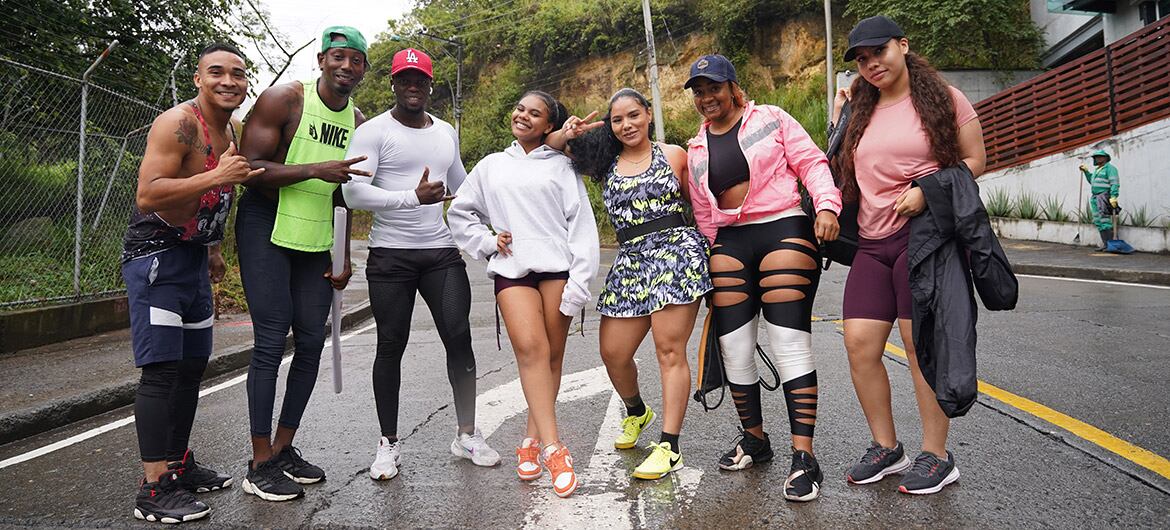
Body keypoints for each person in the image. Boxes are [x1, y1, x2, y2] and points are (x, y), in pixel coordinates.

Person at [833, 15, 986, 495]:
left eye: (878, 51)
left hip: (925, 239)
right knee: (859, 344)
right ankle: (886, 446)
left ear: (903, 45)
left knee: (922, 347)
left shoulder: (942, 98)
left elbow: (975, 160)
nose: (871, 63)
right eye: (861, 59)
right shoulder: (860, 105)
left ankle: (937, 456)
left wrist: (928, 190)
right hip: (872, 243)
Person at [684, 54, 841, 502]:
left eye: (713, 87)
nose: (706, 97)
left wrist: (827, 205)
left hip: (784, 225)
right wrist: (711, 255)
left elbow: (812, 162)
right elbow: (702, 213)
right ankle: (756, 439)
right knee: (733, 347)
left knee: (788, 341)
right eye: (698, 90)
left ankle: (803, 457)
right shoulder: (697, 148)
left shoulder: (771, 118)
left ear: (734, 86)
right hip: (731, 240)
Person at [341, 48, 500, 482]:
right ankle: (387, 444)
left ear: (431, 86)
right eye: (404, 79)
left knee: (459, 337)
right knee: (390, 345)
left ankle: (467, 434)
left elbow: (465, 189)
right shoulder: (373, 132)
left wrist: (499, 221)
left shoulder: (445, 132)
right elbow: (353, 195)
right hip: (390, 256)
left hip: (440, 254)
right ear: (393, 84)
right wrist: (411, 197)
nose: (412, 86)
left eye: (420, 80)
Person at [121, 42, 257, 523]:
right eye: (216, 73)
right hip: (155, 257)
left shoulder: (235, 130)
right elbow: (147, 193)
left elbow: (219, 196)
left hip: (194, 259)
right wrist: (217, 173)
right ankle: (154, 487)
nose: (228, 81)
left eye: (238, 74)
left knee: (192, 366)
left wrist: (214, 249)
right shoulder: (177, 123)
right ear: (198, 80)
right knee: (160, 370)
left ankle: (177, 463)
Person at [236, 26, 370, 501]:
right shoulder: (283, 100)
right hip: (266, 226)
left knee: (312, 341)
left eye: (355, 60)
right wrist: (314, 169)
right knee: (272, 338)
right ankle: (257, 463)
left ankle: (281, 448)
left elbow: (346, 192)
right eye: (338, 57)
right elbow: (249, 169)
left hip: (315, 236)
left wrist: (344, 254)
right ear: (320, 60)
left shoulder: (357, 119)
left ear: (363, 70)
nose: (346, 66)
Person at [448, 90, 600, 498]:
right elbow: (460, 212)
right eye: (520, 109)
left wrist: (579, 284)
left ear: (549, 125)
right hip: (512, 272)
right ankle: (554, 448)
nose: (524, 116)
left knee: (551, 359)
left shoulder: (564, 167)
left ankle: (531, 441)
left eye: (535, 114)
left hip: (558, 272)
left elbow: (582, 227)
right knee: (531, 351)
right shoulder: (492, 166)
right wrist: (485, 240)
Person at [555, 88, 711, 480]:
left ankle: (670, 446)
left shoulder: (675, 155)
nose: (627, 125)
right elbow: (551, 150)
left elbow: (702, 207)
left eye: (633, 115)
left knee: (669, 350)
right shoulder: (602, 160)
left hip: (677, 255)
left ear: (648, 116)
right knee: (613, 352)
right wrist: (567, 132)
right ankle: (637, 412)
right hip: (631, 261)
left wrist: (716, 260)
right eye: (618, 119)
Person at [1080, 149, 1120, 250]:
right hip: (1095, 197)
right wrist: (1086, 172)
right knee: (1098, 220)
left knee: (1104, 220)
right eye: (1096, 157)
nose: (1097, 158)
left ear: (1105, 158)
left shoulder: (1110, 168)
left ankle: (1111, 244)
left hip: (1104, 196)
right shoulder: (1098, 170)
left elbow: (1114, 182)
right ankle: (1105, 244)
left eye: (1099, 156)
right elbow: (1091, 181)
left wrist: (1114, 196)